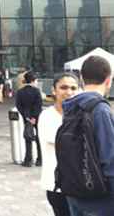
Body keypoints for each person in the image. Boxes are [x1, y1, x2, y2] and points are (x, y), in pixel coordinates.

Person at [62, 55, 114, 215]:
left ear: (82, 79)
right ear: (108, 80)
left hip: (75, 191)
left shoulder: (71, 107)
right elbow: (110, 159)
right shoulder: (100, 110)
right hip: (99, 200)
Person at [38, 73, 79, 216]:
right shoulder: (47, 116)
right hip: (57, 186)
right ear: (54, 90)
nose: (69, 92)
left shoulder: (79, 115)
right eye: (64, 87)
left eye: (73, 88)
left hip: (79, 185)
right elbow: (66, 146)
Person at [15, 71, 43, 167]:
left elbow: (18, 105)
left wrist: (26, 116)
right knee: (39, 138)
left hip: (26, 117)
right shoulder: (36, 91)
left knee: (28, 136)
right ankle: (40, 159)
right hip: (37, 117)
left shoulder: (20, 92)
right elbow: (39, 105)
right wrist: (34, 117)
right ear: (33, 80)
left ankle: (28, 160)